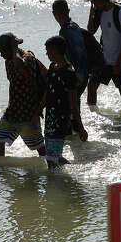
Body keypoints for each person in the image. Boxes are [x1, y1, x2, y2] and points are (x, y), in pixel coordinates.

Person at [0, 33, 45, 157]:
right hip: (13, 111)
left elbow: (21, 65)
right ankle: (1, 173)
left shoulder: (28, 58)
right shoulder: (8, 61)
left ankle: (53, 168)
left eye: (3, 51)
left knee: (40, 148)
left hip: (28, 112)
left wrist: (14, 49)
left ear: (12, 48)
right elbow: (13, 85)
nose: (1, 54)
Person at [85, 0, 121, 109]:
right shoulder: (99, 12)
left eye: (94, 1)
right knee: (91, 87)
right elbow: (90, 31)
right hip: (104, 60)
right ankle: (93, 116)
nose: (93, 3)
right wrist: (92, 11)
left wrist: (119, 61)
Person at [40, 35, 83, 167]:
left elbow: (73, 103)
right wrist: (40, 107)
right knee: (52, 156)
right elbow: (48, 89)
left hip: (61, 119)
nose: (46, 54)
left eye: (48, 51)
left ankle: (58, 180)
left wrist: (80, 127)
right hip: (50, 117)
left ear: (55, 51)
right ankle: (67, 173)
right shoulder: (53, 67)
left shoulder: (69, 72)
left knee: (52, 157)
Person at [51, 0, 92, 132]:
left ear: (54, 14)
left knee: (70, 107)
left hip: (77, 75)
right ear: (68, 11)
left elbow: (78, 52)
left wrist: (78, 74)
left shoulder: (66, 31)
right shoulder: (73, 26)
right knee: (73, 107)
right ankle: (77, 140)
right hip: (82, 73)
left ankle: (75, 137)